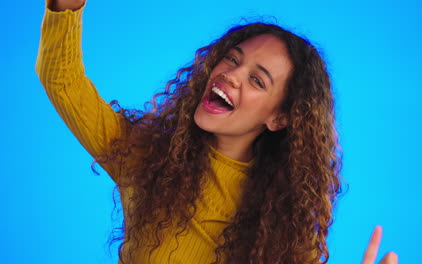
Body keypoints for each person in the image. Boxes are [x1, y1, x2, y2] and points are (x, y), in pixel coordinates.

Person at [36, 0, 398, 263]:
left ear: (279, 118)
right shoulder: (146, 156)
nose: (231, 75)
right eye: (232, 59)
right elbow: (62, 80)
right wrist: (66, 9)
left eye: (257, 80)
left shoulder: (283, 222)